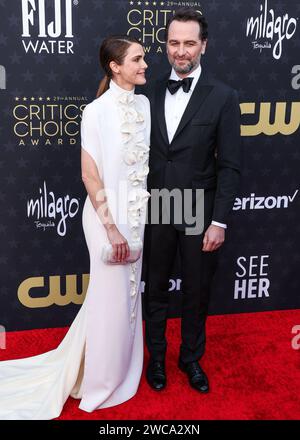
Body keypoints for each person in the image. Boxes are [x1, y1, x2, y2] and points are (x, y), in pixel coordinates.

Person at [0, 36, 150, 419]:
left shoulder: (146, 105)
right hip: (106, 220)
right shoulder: (96, 112)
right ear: (116, 66)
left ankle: (122, 371)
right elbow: (90, 174)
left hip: (137, 216)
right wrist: (111, 227)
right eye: (137, 59)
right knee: (109, 298)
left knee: (128, 301)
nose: (145, 64)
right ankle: (99, 382)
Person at [144, 8, 241, 393]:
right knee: (155, 289)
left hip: (199, 209)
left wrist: (219, 221)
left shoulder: (223, 97)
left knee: (196, 290)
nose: (180, 51)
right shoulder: (145, 92)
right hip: (156, 205)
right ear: (165, 46)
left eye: (188, 43)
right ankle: (156, 359)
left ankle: (190, 359)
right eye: (173, 43)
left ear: (203, 45)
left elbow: (230, 166)